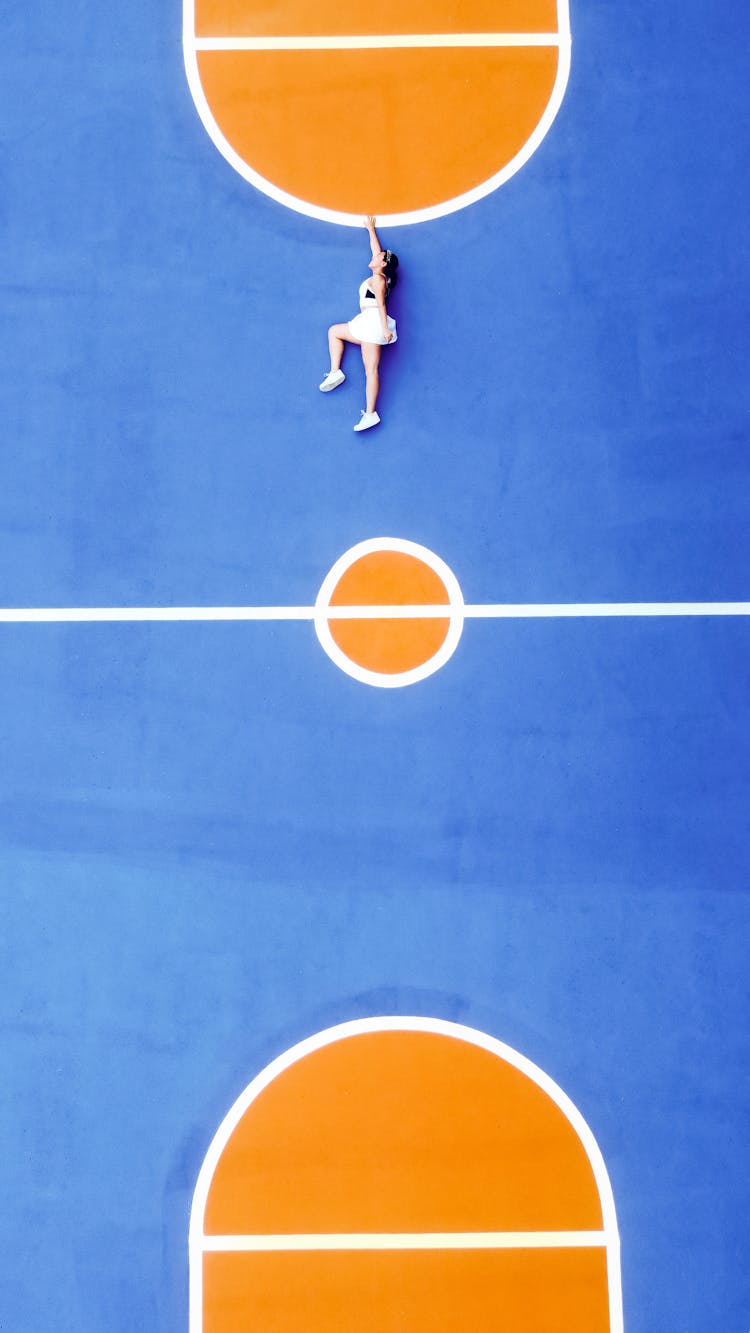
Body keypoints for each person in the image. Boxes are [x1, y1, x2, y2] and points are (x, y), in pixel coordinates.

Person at [319, 216, 399, 432]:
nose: (375, 257)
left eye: (379, 257)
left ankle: (371, 413)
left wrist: (383, 329)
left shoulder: (377, 280)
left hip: (372, 324)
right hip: (368, 323)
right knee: (335, 332)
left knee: (371, 370)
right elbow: (376, 250)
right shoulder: (378, 274)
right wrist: (371, 229)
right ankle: (336, 372)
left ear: (382, 264)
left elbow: (381, 306)